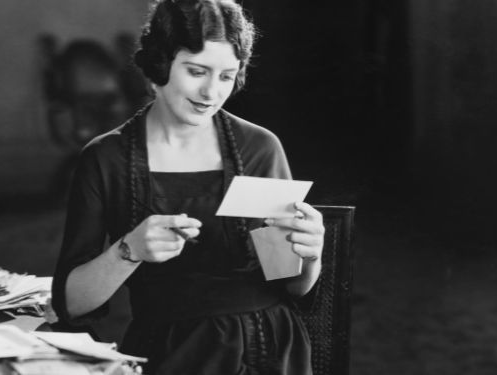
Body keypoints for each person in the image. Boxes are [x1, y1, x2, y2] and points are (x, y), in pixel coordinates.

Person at [52, 0, 325, 373]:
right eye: (197, 71)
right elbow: (72, 304)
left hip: (271, 350)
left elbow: (292, 285)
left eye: (227, 76)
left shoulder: (260, 147)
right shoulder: (105, 158)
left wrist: (309, 255)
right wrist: (129, 250)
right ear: (160, 67)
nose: (211, 92)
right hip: (167, 353)